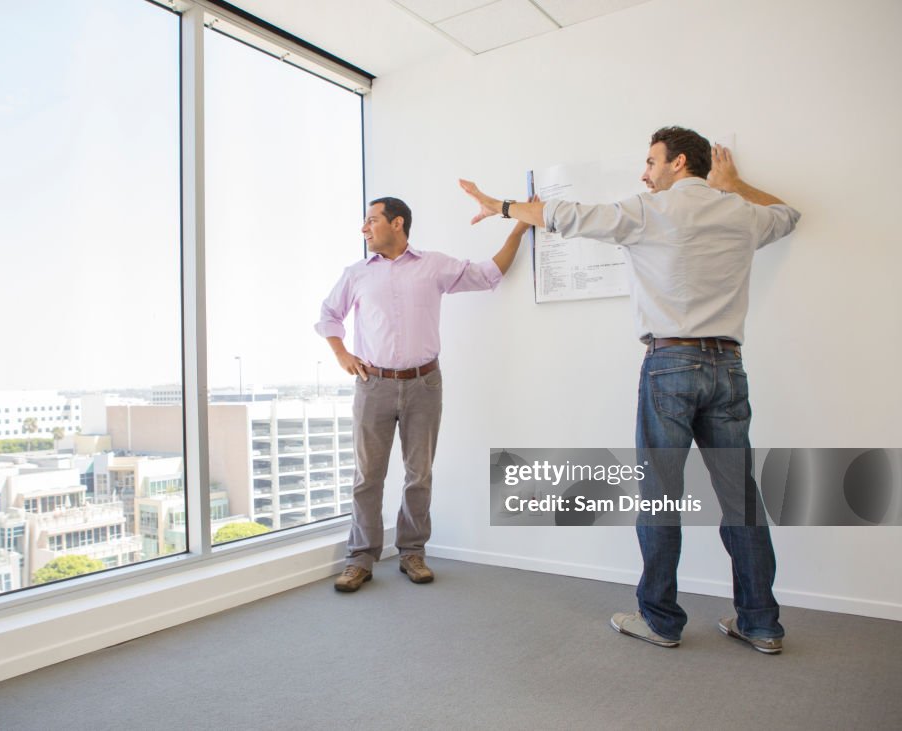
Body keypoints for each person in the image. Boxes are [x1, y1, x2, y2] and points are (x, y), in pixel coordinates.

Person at [460, 127, 801, 653]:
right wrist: (734, 183)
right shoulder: (740, 212)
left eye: (650, 161)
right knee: (742, 501)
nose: (644, 173)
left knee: (661, 496)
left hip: (669, 364)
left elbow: (566, 215)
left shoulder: (649, 210)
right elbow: (787, 214)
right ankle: (760, 624)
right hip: (728, 368)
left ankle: (661, 621)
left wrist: (499, 205)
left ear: (678, 162)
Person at [316, 196, 527, 592]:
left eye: (372, 220)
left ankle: (412, 551)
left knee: (419, 474)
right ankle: (360, 558)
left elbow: (489, 273)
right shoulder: (357, 273)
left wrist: (517, 228)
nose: (364, 228)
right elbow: (328, 315)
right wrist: (342, 353)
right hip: (373, 385)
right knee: (368, 477)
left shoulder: (433, 265)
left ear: (397, 224)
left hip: (424, 384)